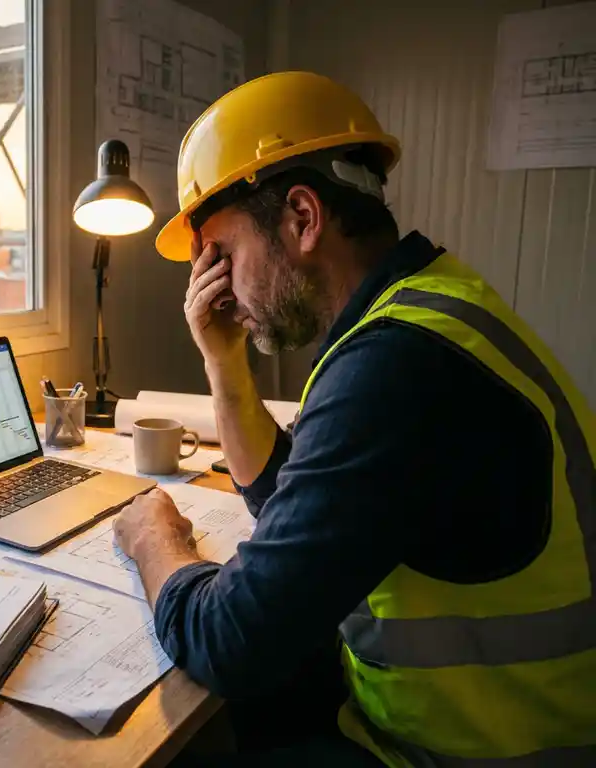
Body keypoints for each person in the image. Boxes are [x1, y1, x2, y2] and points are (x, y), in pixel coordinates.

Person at [111, 71, 596, 766]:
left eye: (221, 255)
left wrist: (155, 540)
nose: (211, 284)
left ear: (303, 218)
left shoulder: (392, 368)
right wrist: (223, 360)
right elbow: (295, 501)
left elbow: (229, 644)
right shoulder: (428, 306)